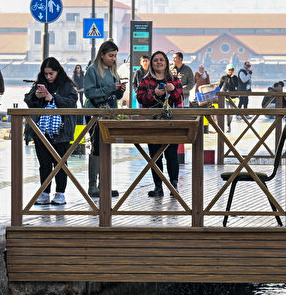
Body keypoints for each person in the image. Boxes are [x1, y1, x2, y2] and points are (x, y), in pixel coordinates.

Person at [23, 56, 79, 206]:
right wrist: (35, 96)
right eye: (46, 74)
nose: (48, 77)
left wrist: (52, 97)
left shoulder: (67, 85)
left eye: (51, 74)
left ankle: (60, 193)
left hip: (61, 132)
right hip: (41, 131)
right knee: (44, 164)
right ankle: (45, 192)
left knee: (60, 163)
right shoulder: (39, 84)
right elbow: (28, 101)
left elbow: (72, 102)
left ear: (58, 71)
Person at [135, 50, 185, 197]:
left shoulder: (174, 79)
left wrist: (173, 90)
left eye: (161, 60)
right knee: (155, 156)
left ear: (166, 63)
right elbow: (140, 98)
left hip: (171, 123)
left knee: (172, 155)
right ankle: (158, 186)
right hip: (153, 123)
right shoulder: (146, 80)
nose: (159, 62)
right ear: (152, 63)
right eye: (156, 60)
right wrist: (154, 94)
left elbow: (179, 98)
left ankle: (173, 185)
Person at [81, 39, 125, 200]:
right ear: (102, 55)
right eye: (111, 55)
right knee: (97, 147)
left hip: (110, 112)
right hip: (96, 113)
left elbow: (114, 94)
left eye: (115, 56)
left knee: (107, 147)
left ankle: (104, 184)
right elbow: (90, 93)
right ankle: (93, 185)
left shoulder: (113, 71)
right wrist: (110, 88)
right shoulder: (92, 70)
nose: (113, 59)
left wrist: (120, 90)